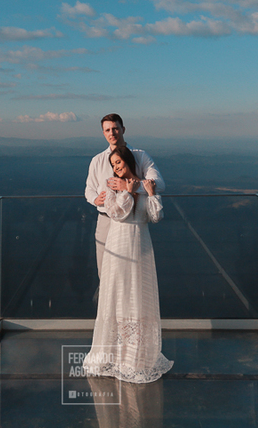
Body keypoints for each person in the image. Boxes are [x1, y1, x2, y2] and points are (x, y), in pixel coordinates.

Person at [82, 146, 173, 384]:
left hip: (141, 245)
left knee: (138, 296)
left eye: (119, 163)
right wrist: (127, 192)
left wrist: (150, 194)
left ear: (129, 162)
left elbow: (155, 217)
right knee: (118, 296)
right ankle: (115, 354)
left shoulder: (143, 185)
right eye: (113, 165)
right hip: (119, 245)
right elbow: (116, 214)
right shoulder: (112, 185)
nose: (116, 168)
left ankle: (136, 357)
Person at [85, 114, 164, 276]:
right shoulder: (97, 160)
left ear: (123, 130)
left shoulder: (140, 155)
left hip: (132, 222)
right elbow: (89, 189)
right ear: (103, 133)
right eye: (107, 130)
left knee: (132, 273)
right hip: (105, 221)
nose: (112, 133)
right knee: (105, 272)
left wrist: (130, 187)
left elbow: (159, 184)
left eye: (115, 128)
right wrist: (94, 199)